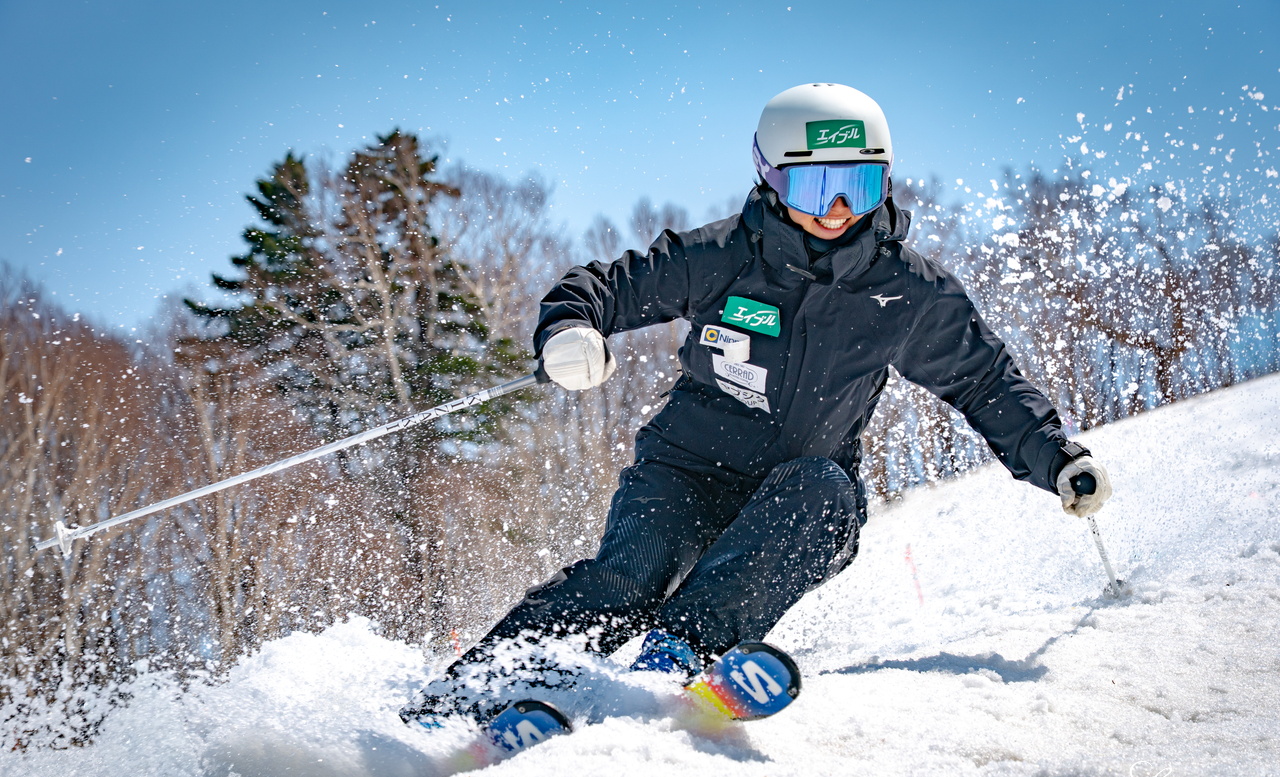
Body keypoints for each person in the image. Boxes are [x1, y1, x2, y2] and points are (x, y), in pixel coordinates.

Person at [402, 82, 1112, 722]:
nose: (837, 210)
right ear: (771, 180)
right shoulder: (723, 256)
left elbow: (984, 381)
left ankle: (671, 661)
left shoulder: (908, 293)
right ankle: (468, 695)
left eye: (859, 187)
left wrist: (1056, 456)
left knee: (826, 490)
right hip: (682, 475)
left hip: (796, 496)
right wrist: (569, 331)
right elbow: (601, 287)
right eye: (817, 188)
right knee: (628, 577)